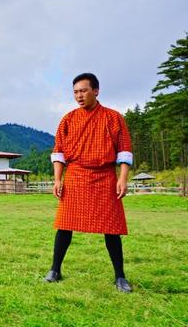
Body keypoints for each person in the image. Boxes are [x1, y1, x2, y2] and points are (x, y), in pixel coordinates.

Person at [44, 73, 134, 293]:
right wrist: (57, 179)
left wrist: (122, 178)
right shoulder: (68, 119)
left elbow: (124, 151)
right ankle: (55, 269)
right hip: (75, 176)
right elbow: (59, 152)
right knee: (64, 224)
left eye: (83, 91)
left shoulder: (114, 118)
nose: (79, 96)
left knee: (111, 228)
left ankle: (120, 277)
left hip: (105, 177)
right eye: (75, 92)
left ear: (96, 91)